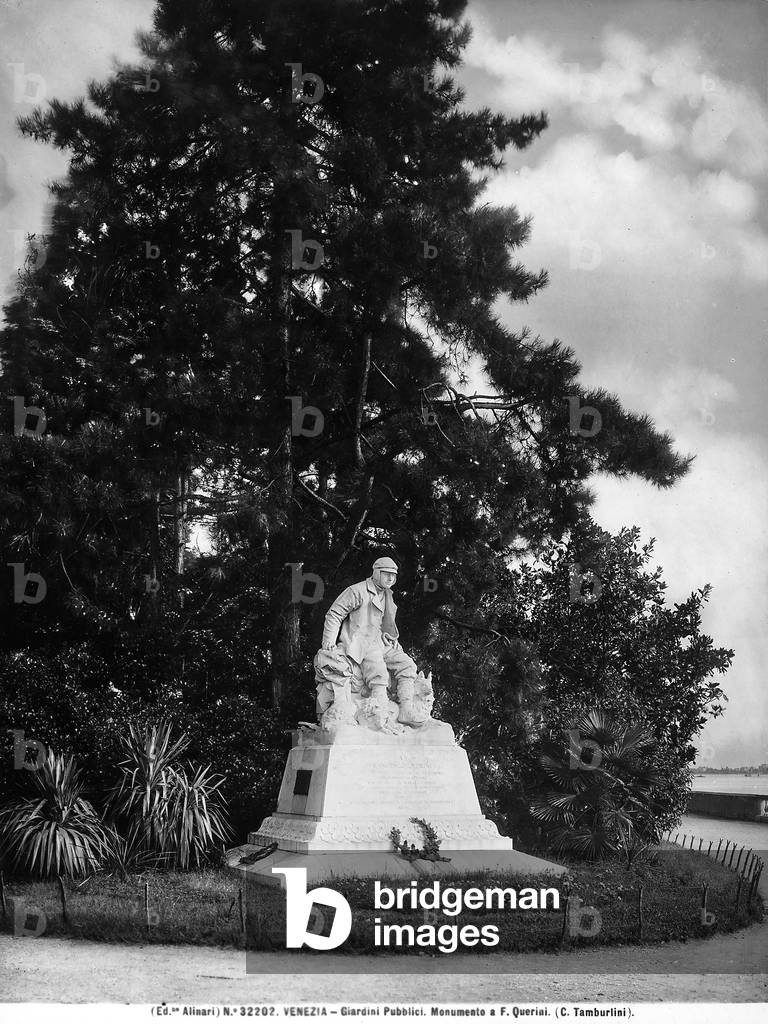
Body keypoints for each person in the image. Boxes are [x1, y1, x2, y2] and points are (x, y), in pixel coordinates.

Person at [321, 556, 426, 725]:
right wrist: (329, 640)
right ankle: (380, 711)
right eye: (386, 574)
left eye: (393, 575)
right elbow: (335, 613)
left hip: (380, 641)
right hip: (360, 641)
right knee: (378, 671)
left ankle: (406, 709)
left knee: (408, 664)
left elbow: (383, 622)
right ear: (376, 573)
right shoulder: (357, 591)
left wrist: (388, 636)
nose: (391, 578)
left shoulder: (387, 594)